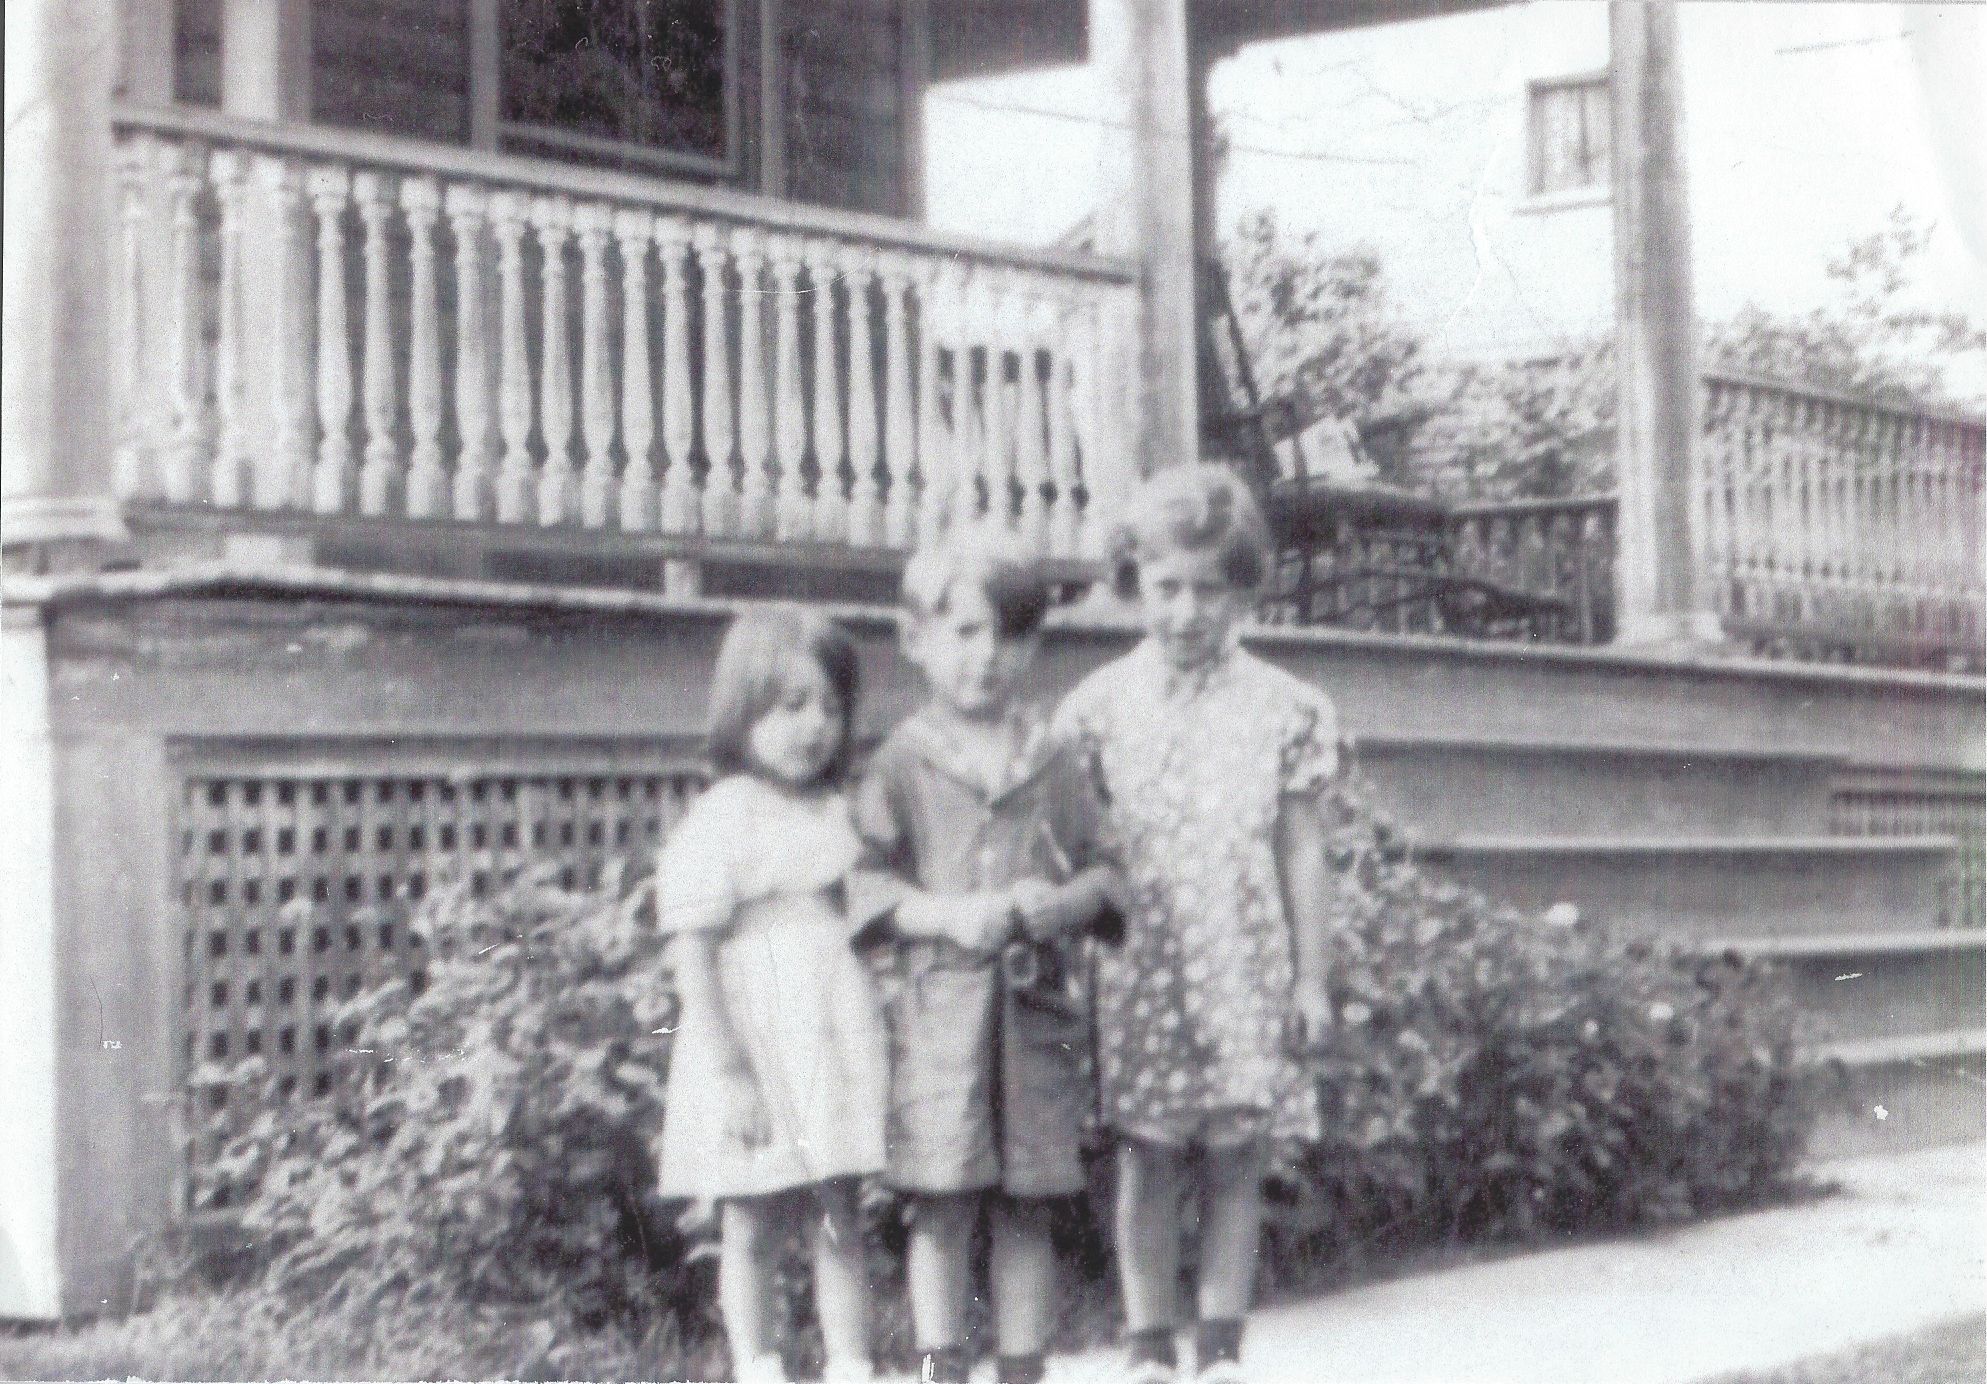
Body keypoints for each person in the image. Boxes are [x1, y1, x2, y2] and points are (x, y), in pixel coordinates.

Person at [1051, 465, 1343, 1384]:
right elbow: (1065, 851)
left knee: (1232, 1156)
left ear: (1244, 590)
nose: (1184, 612)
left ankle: (1218, 1348)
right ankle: (1147, 1345)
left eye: (1207, 589)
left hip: (1244, 961)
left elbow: (1301, 848)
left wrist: (1310, 977)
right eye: (1165, 587)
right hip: (1140, 964)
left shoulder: (1288, 708)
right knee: (1146, 1154)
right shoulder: (1095, 708)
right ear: (1134, 579)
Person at [849, 523, 1126, 1384]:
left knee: (1027, 1208)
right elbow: (861, 888)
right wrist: (939, 915)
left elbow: (1109, 875)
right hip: (938, 1025)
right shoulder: (900, 763)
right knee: (939, 1203)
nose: (989, 656)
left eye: (1013, 636)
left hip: (1034, 1020)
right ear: (917, 640)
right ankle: (940, 1365)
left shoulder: (1054, 760)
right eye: (966, 633)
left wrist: (1063, 905)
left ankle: (1020, 1367)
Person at [656, 605, 888, 1384]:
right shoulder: (725, 817)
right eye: (791, 705)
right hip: (756, 1035)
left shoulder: (834, 812)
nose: (813, 726)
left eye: (828, 705)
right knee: (751, 1215)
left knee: (837, 1208)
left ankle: (849, 1362)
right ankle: (757, 1363)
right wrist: (727, 1070)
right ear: (742, 708)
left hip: (828, 1029)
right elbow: (693, 947)